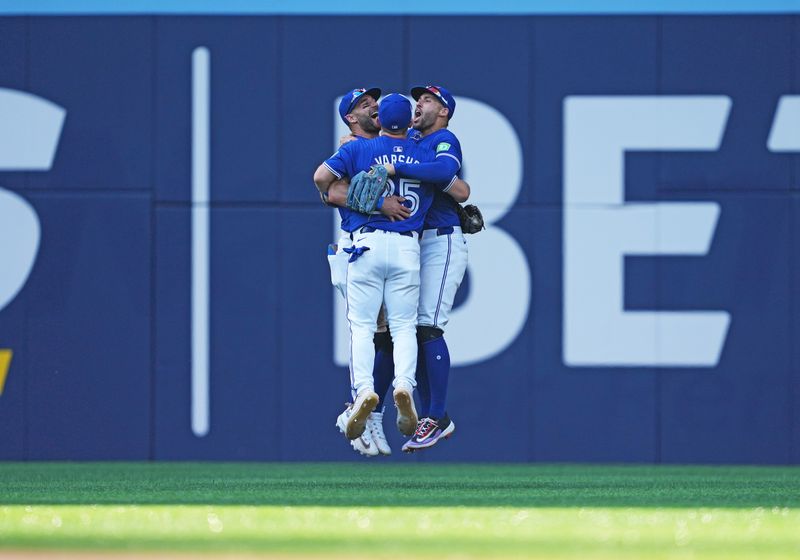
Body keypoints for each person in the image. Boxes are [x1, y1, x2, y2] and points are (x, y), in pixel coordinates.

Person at [314, 94, 440, 453]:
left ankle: (365, 398)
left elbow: (322, 178)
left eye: (375, 103)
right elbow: (329, 189)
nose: (371, 105)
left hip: (367, 247)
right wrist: (378, 199)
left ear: (382, 118)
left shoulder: (357, 151)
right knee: (400, 328)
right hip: (396, 247)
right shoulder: (417, 152)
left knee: (366, 328)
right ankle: (400, 388)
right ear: (351, 118)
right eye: (364, 104)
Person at [383, 85, 469, 452]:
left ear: (444, 111)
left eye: (429, 100)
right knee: (412, 332)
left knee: (429, 328)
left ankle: (436, 415)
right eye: (418, 99)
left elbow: (447, 170)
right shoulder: (414, 140)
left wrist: (399, 165)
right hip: (416, 243)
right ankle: (436, 416)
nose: (420, 103)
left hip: (442, 239)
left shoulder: (444, 138)